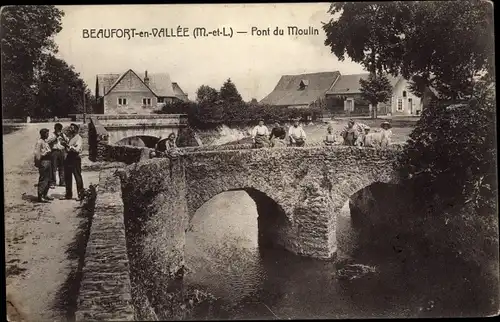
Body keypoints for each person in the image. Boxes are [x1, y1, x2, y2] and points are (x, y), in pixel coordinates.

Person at [62, 123, 84, 201]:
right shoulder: (71, 138)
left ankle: (81, 195)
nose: (69, 129)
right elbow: (68, 149)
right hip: (69, 158)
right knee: (67, 176)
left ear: (75, 129)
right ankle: (68, 194)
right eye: (70, 128)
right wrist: (65, 146)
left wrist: (68, 146)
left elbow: (77, 149)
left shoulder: (79, 138)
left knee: (77, 176)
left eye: (71, 128)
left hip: (75, 158)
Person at [34, 128, 54, 203]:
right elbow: (37, 154)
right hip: (44, 161)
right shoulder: (39, 142)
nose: (48, 135)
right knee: (43, 179)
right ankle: (40, 196)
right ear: (42, 134)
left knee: (49, 179)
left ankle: (45, 194)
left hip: (49, 161)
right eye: (46, 133)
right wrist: (38, 163)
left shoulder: (45, 141)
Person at [47, 123, 67, 188]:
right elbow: (48, 141)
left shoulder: (63, 134)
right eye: (57, 129)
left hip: (61, 151)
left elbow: (68, 141)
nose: (58, 130)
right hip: (54, 151)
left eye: (60, 129)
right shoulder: (51, 135)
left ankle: (62, 181)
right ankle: (53, 182)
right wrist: (56, 136)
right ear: (55, 128)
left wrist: (63, 136)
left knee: (62, 167)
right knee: (53, 167)